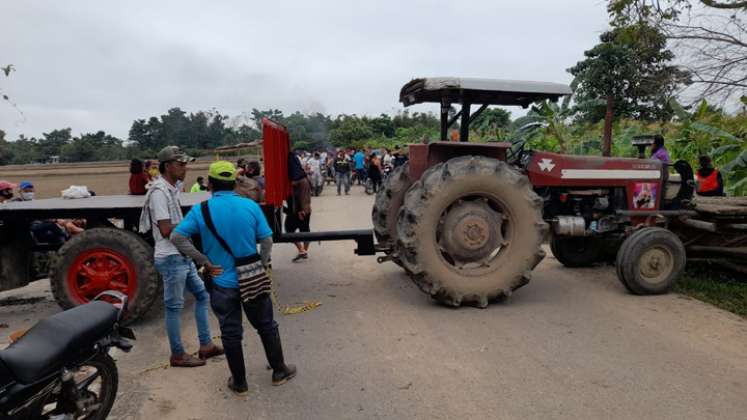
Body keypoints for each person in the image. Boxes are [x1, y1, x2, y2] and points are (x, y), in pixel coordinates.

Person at [170, 161, 296, 395]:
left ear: (210, 184)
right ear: (234, 182)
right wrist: (262, 262)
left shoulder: (201, 210)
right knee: (266, 325)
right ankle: (279, 371)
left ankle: (239, 383)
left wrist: (204, 261)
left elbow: (177, 237)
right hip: (253, 277)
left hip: (221, 281)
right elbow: (267, 240)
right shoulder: (250, 206)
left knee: (230, 332)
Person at [138, 146, 223, 368]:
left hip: (181, 256)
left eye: (186, 163)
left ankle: (206, 345)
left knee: (202, 296)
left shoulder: (171, 189)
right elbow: (166, 230)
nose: (185, 167)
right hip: (171, 258)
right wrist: (195, 224)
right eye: (181, 163)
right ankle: (177, 355)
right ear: (168, 166)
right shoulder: (158, 193)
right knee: (174, 307)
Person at [286, 152, 312, 261]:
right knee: (305, 230)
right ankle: (304, 251)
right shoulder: (302, 176)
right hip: (302, 209)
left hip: (299, 210)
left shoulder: (298, 181)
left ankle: (302, 250)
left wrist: (302, 211)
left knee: (289, 230)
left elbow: (302, 196)